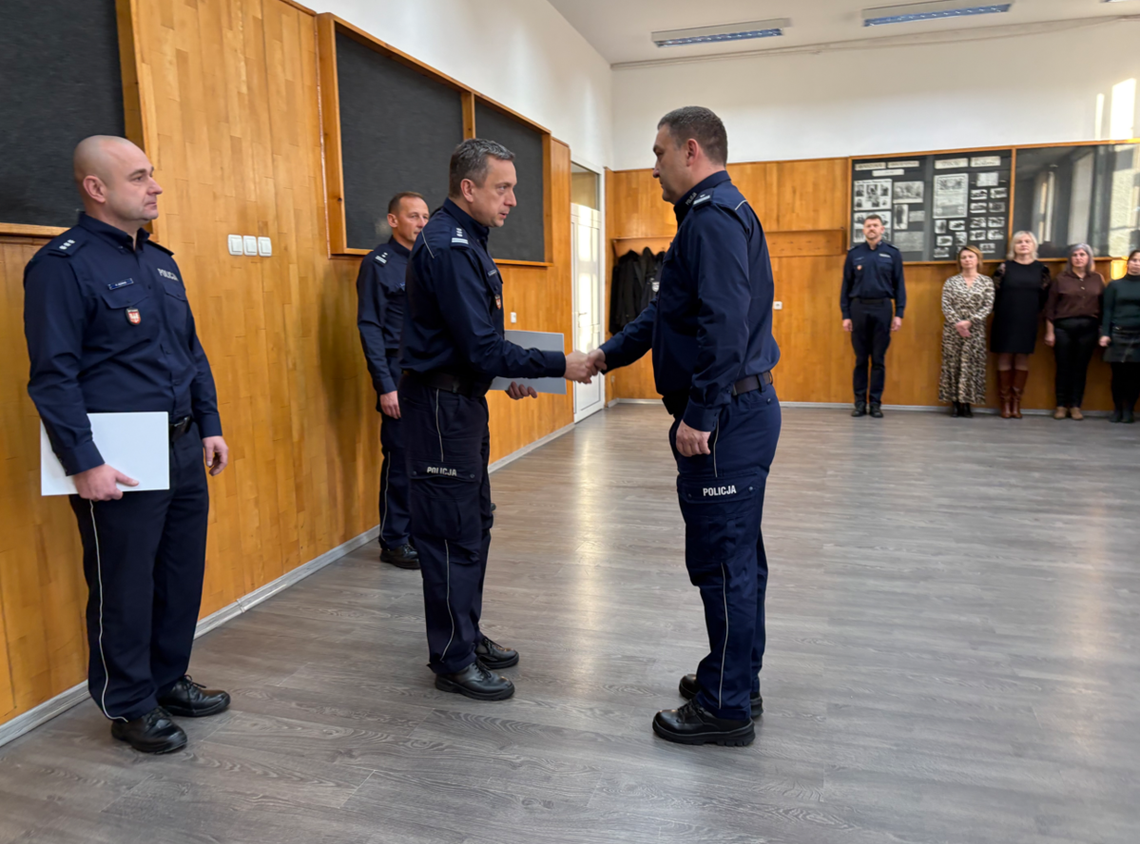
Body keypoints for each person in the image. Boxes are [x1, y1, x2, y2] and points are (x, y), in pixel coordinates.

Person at [23, 136, 231, 754]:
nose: (155, 186)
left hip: (182, 442)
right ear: (96, 188)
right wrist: (82, 462)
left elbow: (190, 352)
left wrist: (211, 422)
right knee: (124, 582)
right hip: (119, 456)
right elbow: (52, 376)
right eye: (140, 177)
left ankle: (168, 680)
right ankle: (130, 702)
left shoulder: (161, 262)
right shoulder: (62, 265)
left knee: (178, 573)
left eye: (151, 175)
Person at [589, 106, 780, 747]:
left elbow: (723, 325)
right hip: (736, 412)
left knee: (723, 564)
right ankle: (734, 678)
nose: (652, 166)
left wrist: (700, 414)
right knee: (737, 557)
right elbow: (665, 317)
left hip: (724, 418)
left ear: (691, 150)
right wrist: (604, 356)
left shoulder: (713, 219)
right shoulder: (703, 219)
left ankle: (726, 708)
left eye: (659, 153)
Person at [399, 138, 595, 701]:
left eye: (513, 188)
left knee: (474, 523)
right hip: (439, 410)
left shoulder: (468, 241)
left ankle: (468, 632)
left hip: (459, 403)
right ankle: (453, 658)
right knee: (450, 535)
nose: (511, 200)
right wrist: (561, 364)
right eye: (502, 188)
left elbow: (471, 346)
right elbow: (482, 347)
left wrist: (500, 373)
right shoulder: (450, 246)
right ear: (468, 187)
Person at [356, 192, 430, 569]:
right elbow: (369, 325)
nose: (420, 223)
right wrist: (384, 385)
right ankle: (394, 540)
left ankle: (420, 532)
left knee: (425, 459)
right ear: (394, 220)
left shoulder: (429, 261)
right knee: (400, 460)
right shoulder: (378, 264)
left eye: (425, 217)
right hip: (396, 374)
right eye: (413, 216)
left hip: (428, 374)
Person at [841, 215, 905, 418]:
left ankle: (875, 403)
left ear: (882, 229)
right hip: (858, 308)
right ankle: (860, 403)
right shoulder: (854, 254)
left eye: (875, 225)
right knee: (861, 359)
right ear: (863, 230)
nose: (872, 229)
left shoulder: (892, 254)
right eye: (868, 226)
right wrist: (846, 315)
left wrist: (899, 313)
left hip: (883, 308)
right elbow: (846, 286)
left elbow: (899, 285)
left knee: (878, 359)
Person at [990, 231, 1051, 418]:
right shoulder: (1003, 268)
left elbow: (1045, 298)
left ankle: (1017, 403)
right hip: (1005, 318)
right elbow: (994, 294)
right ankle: (1005, 404)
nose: (1023, 245)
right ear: (1013, 247)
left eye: (1027, 241)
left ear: (1034, 246)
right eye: (1019, 242)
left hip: (1028, 319)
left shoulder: (1042, 270)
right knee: (1005, 357)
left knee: (1023, 358)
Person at [1044, 243, 1104, 420]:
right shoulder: (1061, 279)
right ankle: (1061, 406)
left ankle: (1076, 406)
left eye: (1082, 254)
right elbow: (1050, 308)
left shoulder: (1097, 279)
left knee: (1080, 369)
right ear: (1070, 259)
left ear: (1088, 258)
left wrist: (1102, 331)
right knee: (1063, 368)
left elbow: (1103, 307)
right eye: (1075, 255)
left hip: (1088, 329)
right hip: (1063, 328)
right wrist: (1049, 332)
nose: (1079, 258)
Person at [938, 245, 994, 417]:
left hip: (975, 331)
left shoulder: (986, 282)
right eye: (964, 257)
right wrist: (958, 323)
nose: (967, 260)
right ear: (959, 261)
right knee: (953, 366)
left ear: (978, 259)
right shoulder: (951, 282)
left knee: (971, 366)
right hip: (953, 331)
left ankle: (967, 404)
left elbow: (988, 306)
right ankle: (955, 403)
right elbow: (946, 305)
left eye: (971, 257)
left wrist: (970, 322)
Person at [1100, 249, 1140, 423]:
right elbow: (1107, 310)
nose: (1137, 263)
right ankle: (1117, 409)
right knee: (1118, 375)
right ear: (1127, 262)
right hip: (1118, 333)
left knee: (1135, 375)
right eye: (1134, 260)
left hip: (1138, 334)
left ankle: (1129, 410)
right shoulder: (1115, 285)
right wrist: (1105, 334)